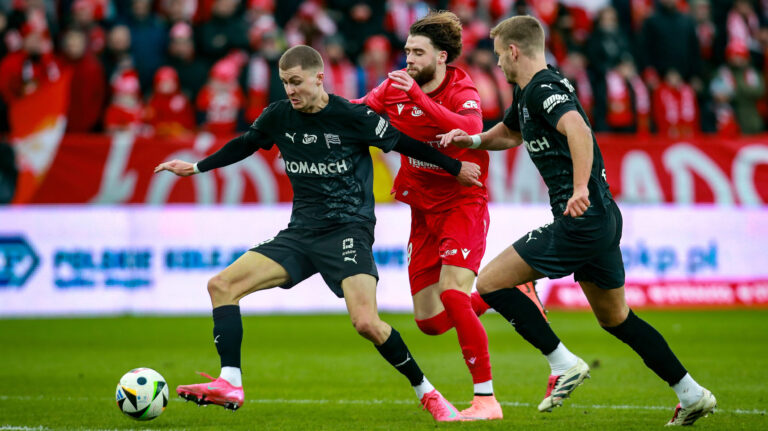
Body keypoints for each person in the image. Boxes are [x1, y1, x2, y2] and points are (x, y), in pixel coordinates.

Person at [154, 45, 483, 422]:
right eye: (284, 83)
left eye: (296, 82)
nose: (290, 90)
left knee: (366, 323)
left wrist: (455, 167)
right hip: (300, 233)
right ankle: (230, 381)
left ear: (318, 78)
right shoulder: (278, 115)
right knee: (221, 286)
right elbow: (245, 144)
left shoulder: (351, 116)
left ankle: (428, 393)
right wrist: (196, 167)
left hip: (348, 231)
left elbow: (403, 143)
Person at [440, 15, 717, 426]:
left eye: (499, 55)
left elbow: (579, 131)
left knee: (491, 282)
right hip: (600, 218)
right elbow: (512, 133)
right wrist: (475, 139)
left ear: (514, 51)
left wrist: (580, 187)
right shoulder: (529, 91)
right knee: (616, 318)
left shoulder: (545, 89)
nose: (497, 63)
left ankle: (563, 363)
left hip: (581, 218)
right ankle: (692, 394)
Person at [355, 11, 545, 420]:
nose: (409, 59)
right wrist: (316, 113)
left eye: (418, 53)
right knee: (430, 322)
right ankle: (504, 293)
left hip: (462, 203)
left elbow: (470, 125)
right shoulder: (394, 86)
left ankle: (486, 400)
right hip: (422, 210)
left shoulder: (461, 87)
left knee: (452, 294)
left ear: (441, 57)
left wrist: (418, 99)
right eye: (407, 51)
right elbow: (359, 111)